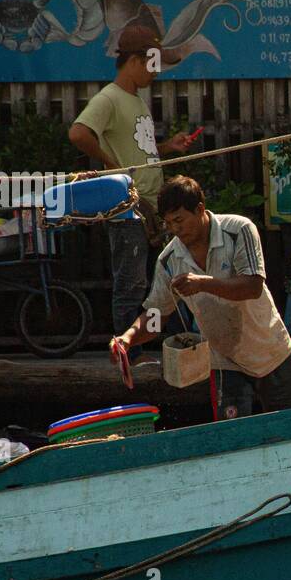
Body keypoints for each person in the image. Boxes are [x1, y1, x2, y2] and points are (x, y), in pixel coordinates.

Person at [110, 176, 291, 420]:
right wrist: (128, 338)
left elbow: (253, 286)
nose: (175, 229)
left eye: (179, 220)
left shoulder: (239, 229)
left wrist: (203, 284)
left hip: (272, 350)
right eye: (168, 223)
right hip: (225, 363)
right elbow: (157, 316)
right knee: (232, 441)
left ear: (199, 209)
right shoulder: (169, 261)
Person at [68, 25, 196, 362]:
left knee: (162, 282)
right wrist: (111, 166)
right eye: (153, 62)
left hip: (153, 207)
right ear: (136, 61)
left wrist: (168, 146)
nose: (156, 70)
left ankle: (162, 346)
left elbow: (140, 151)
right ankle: (127, 355)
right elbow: (78, 133)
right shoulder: (108, 98)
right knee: (132, 285)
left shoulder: (135, 100)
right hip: (127, 208)